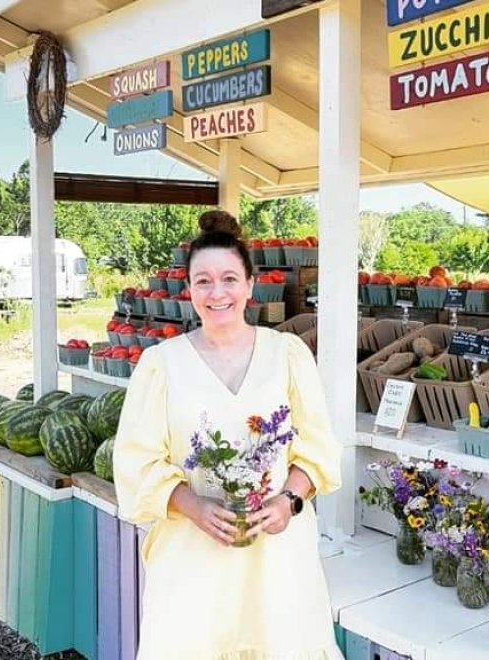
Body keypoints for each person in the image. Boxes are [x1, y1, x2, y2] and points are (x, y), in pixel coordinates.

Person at [114, 210, 344, 660]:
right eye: (203, 281)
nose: (217, 293)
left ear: (251, 285)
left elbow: (317, 447)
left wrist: (289, 500)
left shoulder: (288, 354)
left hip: (275, 557)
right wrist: (193, 505)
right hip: (193, 558)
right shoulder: (161, 365)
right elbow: (136, 461)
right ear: (188, 289)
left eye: (229, 279)